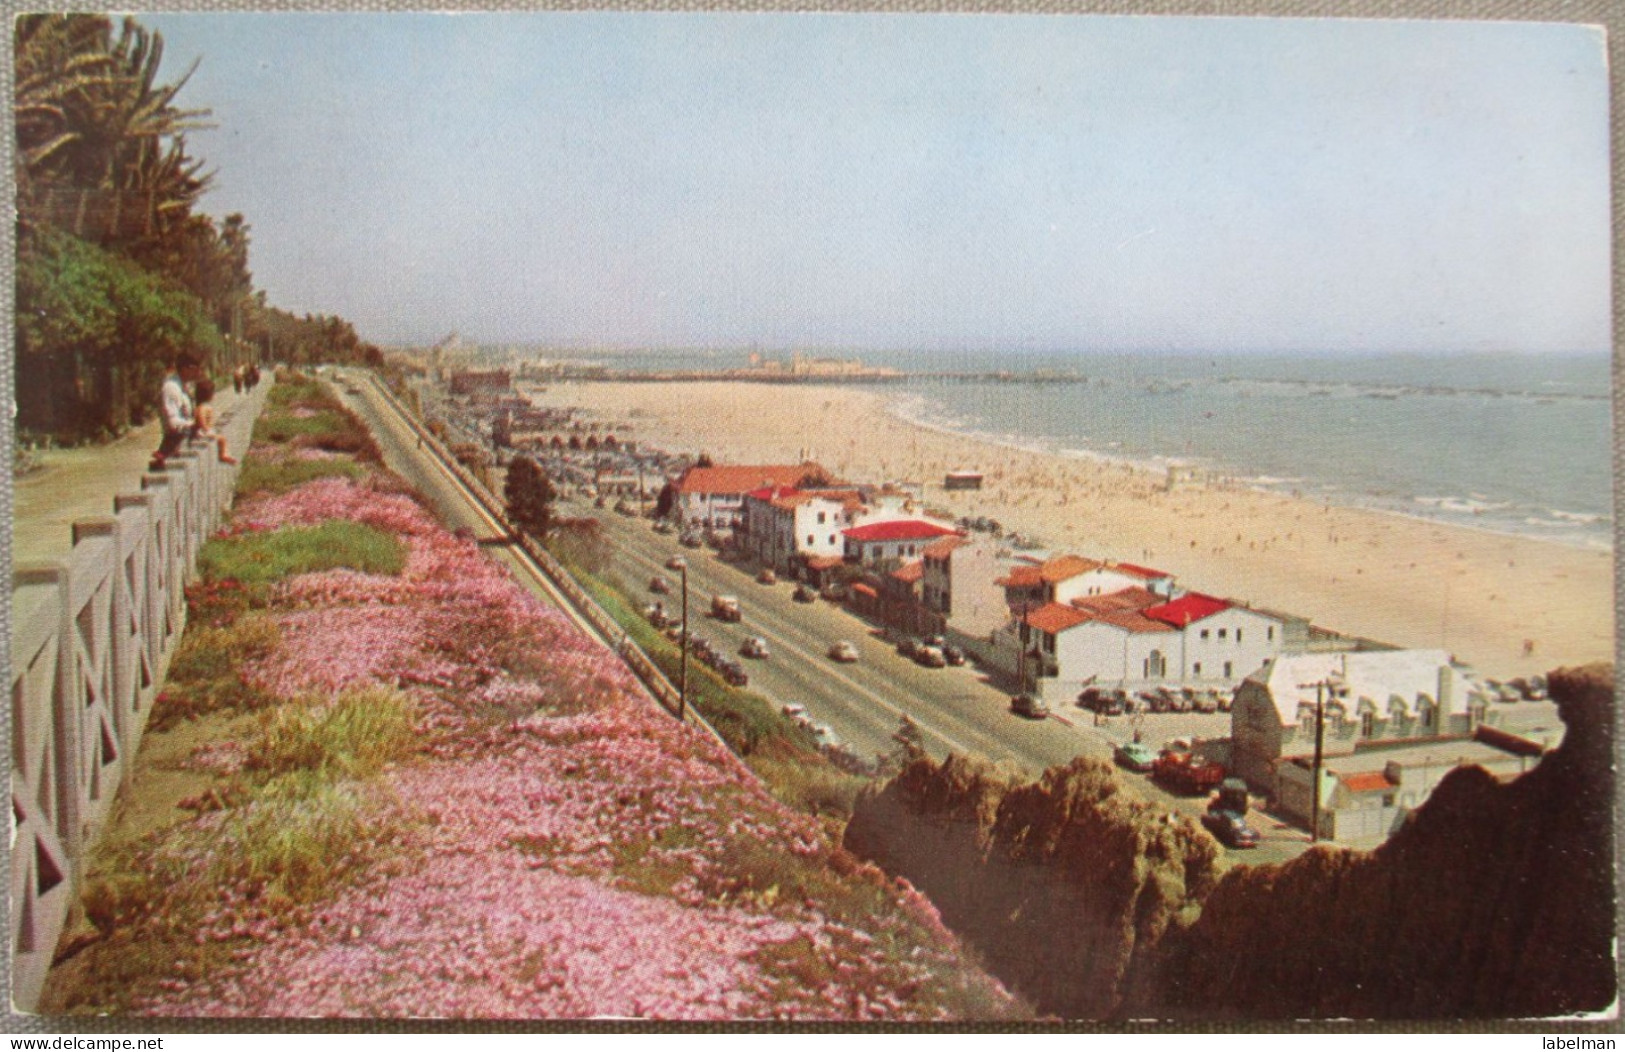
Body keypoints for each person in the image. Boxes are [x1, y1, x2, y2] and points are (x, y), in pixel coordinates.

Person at [149, 352, 202, 471]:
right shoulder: (171, 388)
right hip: (173, 446)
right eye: (194, 369)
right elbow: (172, 423)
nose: (198, 373)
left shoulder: (183, 386)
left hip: (182, 444)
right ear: (184, 369)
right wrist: (195, 424)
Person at [193, 378, 237, 465]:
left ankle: (225, 454)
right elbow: (201, 419)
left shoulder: (201, 406)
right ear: (209, 395)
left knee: (221, 438)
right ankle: (223, 455)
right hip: (203, 431)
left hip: (204, 430)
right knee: (222, 439)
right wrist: (205, 428)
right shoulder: (203, 407)